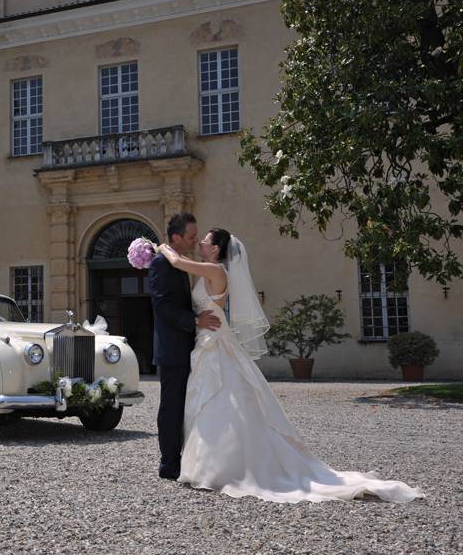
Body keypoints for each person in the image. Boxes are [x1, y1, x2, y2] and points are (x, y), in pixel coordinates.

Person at [155, 228, 423, 503]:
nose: (199, 242)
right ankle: (209, 460)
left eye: (205, 240)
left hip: (214, 342)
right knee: (215, 399)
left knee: (222, 397)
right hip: (206, 340)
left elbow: (177, 263)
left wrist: (160, 247)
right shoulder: (209, 270)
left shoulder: (216, 272)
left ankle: (224, 465)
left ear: (215, 250)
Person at [148, 213, 221, 481]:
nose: (195, 240)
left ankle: (189, 458)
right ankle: (168, 464)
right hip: (171, 350)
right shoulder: (160, 265)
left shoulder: (180, 262)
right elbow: (162, 305)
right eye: (191, 236)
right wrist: (194, 320)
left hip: (190, 346)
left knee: (187, 406)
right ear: (176, 238)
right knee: (171, 407)